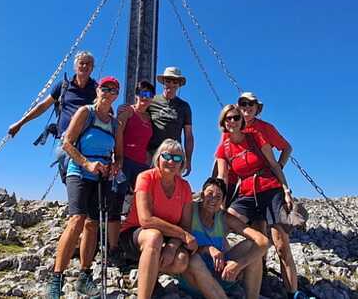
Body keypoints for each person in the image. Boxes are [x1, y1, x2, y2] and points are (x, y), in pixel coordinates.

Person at [214, 105, 304, 299]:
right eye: (228, 118)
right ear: (223, 122)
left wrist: (286, 190)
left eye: (236, 117)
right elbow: (222, 177)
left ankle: (293, 293)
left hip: (270, 190)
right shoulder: (223, 147)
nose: (232, 121)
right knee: (223, 223)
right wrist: (219, 204)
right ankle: (216, 265)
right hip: (247, 194)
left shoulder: (255, 136)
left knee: (281, 245)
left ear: (242, 120)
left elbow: (273, 164)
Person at [47, 76, 121, 299]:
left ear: (117, 95)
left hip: (101, 176)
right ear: (97, 90)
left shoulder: (115, 124)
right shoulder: (85, 113)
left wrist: (114, 166)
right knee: (77, 219)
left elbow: (119, 155)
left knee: (92, 224)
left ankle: (84, 276)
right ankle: (56, 277)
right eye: (105, 88)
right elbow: (67, 143)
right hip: (79, 171)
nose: (108, 93)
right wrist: (87, 163)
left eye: (113, 90)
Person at [118, 139, 196, 299]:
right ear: (158, 158)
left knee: (181, 260)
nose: (171, 161)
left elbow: (186, 225)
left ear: (182, 164)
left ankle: (149, 273)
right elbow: (146, 220)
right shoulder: (146, 177)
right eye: (166, 156)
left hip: (168, 238)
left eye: (177, 158)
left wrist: (172, 247)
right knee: (154, 236)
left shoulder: (185, 187)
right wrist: (182, 235)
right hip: (136, 234)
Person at [178, 178, 269, 299]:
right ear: (202, 195)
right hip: (193, 278)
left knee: (251, 246)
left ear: (222, 201)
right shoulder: (190, 211)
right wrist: (207, 249)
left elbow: (263, 240)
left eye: (218, 197)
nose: (213, 199)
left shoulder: (224, 217)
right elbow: (183, 245)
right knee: (194, 260)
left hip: (219, 273)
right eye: (210, 194)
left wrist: (239, 265)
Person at [110, 80, 157, 250]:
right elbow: (118, 133)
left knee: (140, 205)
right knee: (117, 202)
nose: (145, 97)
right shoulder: (128, 112)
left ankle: (132, 242)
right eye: (142, 93)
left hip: (141, 166)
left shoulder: (149, 118)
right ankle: (113, 246)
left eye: (149, 95)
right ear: (136, 95)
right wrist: (117, 157)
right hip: (125, 162)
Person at [8, 51, 96, 140]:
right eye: (81, 63)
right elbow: (43, 106)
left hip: (89, 141)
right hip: (64, 140)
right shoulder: (64, 86)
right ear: (75, 67)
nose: (85, 66)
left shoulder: (98, 89)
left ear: (92, 68)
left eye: (88, 63)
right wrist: (20, 123)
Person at [147, 67, 194, 176]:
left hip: (174, 157)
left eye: (175, 81)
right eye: (168, 80)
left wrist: (188, 160)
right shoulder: (152, 101)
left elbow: (188, 136)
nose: (171, 84)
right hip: (152, 153)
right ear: (163, 82)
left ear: (179, 84)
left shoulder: (184, 106)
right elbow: (138, 114)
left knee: (171, 185)